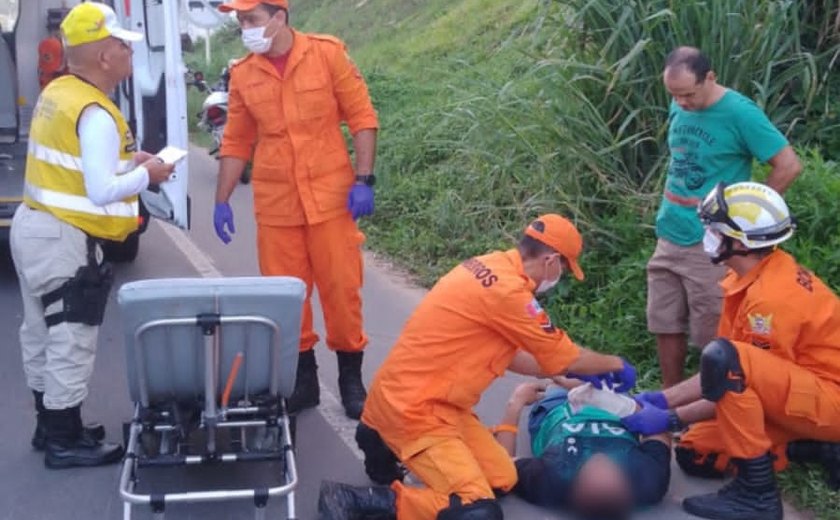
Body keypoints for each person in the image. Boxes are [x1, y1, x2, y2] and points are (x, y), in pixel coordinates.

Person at [317, 214, 637, 519]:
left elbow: (514, 356)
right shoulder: (509, 292)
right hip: (416, 411)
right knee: (476, 508)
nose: (559, 278)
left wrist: (563, 370)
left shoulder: (490, 265)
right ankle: (361, 500)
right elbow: (567, 355)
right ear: (551, 260)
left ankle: (379, 434)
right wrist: (614, 364)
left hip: (437, 403)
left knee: (502, 478)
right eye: (564, 270)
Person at [10, 2, 174, 469]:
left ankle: (52, 425)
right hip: (63, 238)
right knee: (72, 338)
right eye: (123, 46)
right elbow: (101, 190)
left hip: (35, 225)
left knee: (41, 331)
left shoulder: (60, 92)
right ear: (105, 57)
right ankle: (66, 442)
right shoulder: (97, 114)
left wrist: (131, 162)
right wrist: (151, 173)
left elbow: (78, 165)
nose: (129, 53)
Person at [624, 182, 840, 520]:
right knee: (696, 452)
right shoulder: (752, 275)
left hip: (829, 400)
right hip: (801, 393)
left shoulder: (770, 301)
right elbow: (727, 375)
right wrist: (663, 399)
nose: (707, 235)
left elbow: (733, 373)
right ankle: (814, 447)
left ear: (739, 242)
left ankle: (757, 496)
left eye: (713, 229)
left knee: (728, 366)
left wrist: (669, 416)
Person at [212, 0, 379, 419]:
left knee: (341, 292)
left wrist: (364, 179)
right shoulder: (243, 74)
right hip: (277, 204)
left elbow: (361, 117)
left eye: (251, 19)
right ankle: (304, 381)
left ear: (279, 17)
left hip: (331, 200)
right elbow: (235, 142)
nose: (244, 28)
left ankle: (350, 380)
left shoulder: (326, 54)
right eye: (240, 21)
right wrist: (221, 199)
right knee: (288, 297)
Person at [648, 46, 802, 388]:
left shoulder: (739, 113)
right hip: (670, 231)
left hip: (713, 243)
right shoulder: (680, 101)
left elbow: (788, 165)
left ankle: (714, 412)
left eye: (688, 94)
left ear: (710, 78)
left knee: (712, 333)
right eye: (674, 95)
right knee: (664, 321)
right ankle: (667, 402)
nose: (681, 103)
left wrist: (747, 221)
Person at [496, 380, 671, 520]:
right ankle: (580, 380)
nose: (600, 458)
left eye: (593, 473)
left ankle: (556, 382)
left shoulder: (549, 480)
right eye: (612, 470)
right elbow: (658, 428)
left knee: (561, 380)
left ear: (574, 492)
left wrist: (516, 402)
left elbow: (502, 467)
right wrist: (632, 408)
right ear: (628, 491)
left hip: (558, 408)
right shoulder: (650, 480)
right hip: (615, 410)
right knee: (607, 378)